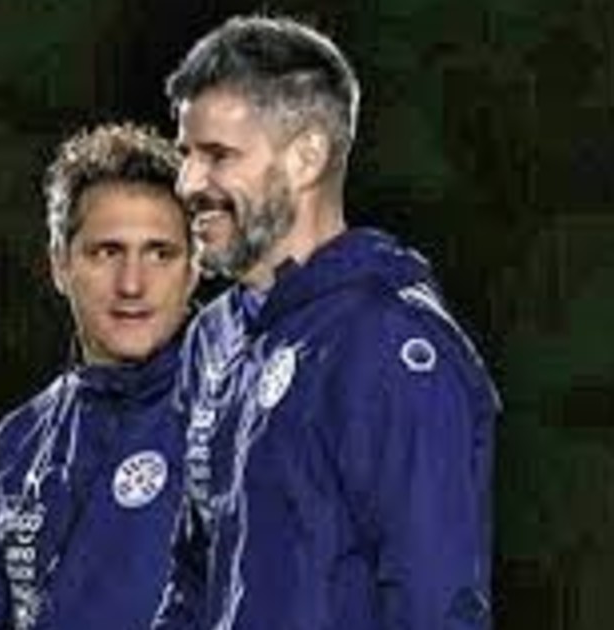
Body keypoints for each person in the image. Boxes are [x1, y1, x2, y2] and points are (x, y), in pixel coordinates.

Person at [152, 15, 501, 630]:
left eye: (218, 155)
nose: (188, 182)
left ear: (306, 158)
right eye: (186, 155)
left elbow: (435, 606)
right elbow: (193, 579)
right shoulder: (213, 338)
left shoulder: (389, 343)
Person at [0, 122, 197, 630]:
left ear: (195, 269)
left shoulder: (239, 422)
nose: (133, 284)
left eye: (160, 253)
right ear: (59, 265)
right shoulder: (20, 442)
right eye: (107, 252)